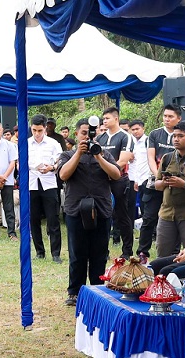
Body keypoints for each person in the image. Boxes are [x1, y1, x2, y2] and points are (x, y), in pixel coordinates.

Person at [59, 118, 121, 306]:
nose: (87, 136)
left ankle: (98, 289)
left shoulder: (105, 154)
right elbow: (63, 175)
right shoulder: (67, 154)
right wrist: (78, 153)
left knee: (99, 252)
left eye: (91, 133)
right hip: (75, 209)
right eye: (83, 133)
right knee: (77, 252)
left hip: (101, 209)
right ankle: (75, 291)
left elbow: (116, 175)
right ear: (76, 134)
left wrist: (98, 156)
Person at [139, 104, 182, 261]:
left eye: (170, 116)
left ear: (179, 118)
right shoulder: (155, 134)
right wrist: (158, 176)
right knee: (149, 218)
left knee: (175, 218)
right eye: (165, 116)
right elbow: (151, 157)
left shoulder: (184, 134)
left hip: (177, 185)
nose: (167, 119)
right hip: (156, 183)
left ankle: (174, 253)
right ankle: (143, 252)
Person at [154, 120, 185, 257]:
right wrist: (165, 182)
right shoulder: (167, 158)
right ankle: (163, 278)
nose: (176, 139)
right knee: (163, 253)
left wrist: (184, 184)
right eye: (174, 136)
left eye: (180, 136)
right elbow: (156, 185)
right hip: (167, 213)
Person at [97, 107, 135, 257]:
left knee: (121, 215)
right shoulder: (100, 138)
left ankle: (127, 251)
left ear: (116, 119)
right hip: (101, 181)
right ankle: (102, 251)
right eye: (103, 119)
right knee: (101, 214)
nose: (104, 121)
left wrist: (110, 171)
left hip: (119, 180)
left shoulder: (125, 136)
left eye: (107, 118)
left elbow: (123, 159)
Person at [27, 114, 63, 262]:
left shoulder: (53, 143)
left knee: (53, 219)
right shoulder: (26, 143)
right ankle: (39, 252)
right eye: (34, 130)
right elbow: (20, 162)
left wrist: (52, 167)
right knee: (34, 219)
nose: (37, 133)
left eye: (40, 130)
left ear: (45, 128)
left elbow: (60, 161)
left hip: (49, 183)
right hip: (32, 183)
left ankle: (56, 254)